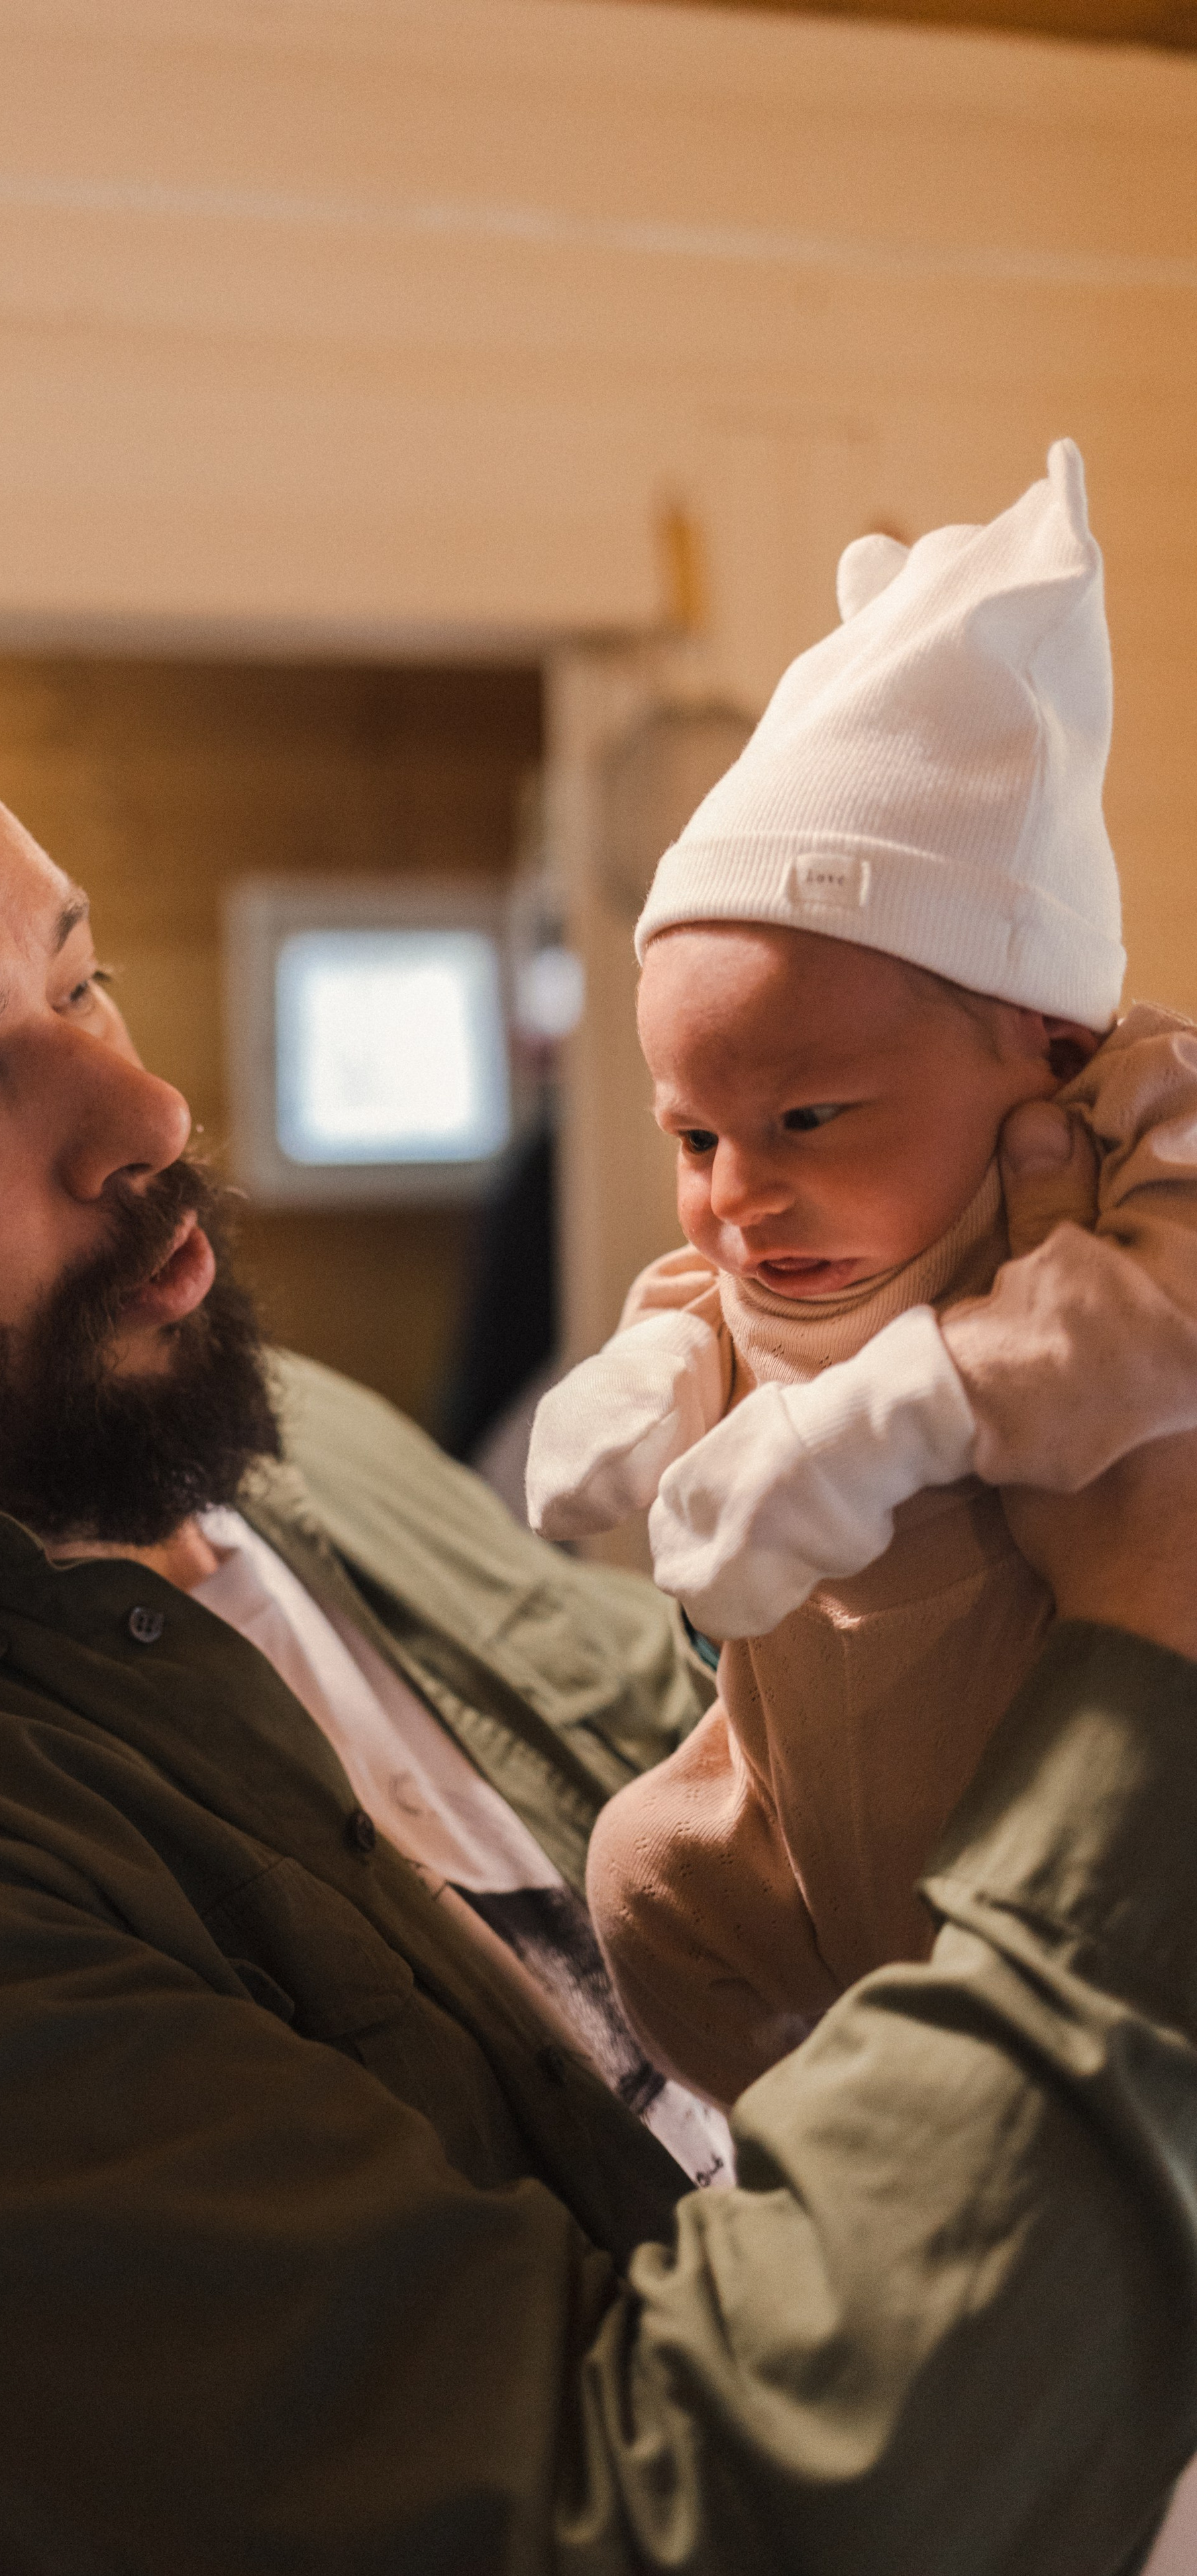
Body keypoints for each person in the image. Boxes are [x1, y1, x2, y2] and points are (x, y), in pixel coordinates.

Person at [0, 600, 1197, 2576]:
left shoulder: (276, 1435)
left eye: (85, 979)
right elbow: (664, 2531)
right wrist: (1147, 1662)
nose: (148, 1121)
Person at [527, 440, 1197, 2107]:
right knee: (641, 1874)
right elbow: (706, 1307)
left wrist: (891, 1416)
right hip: (787, 1799)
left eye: (805, 1116)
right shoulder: (779, 1232)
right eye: (691, 1138)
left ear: (1039, 1043)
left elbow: (1164, 1322)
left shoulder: (1127, 1133)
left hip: (1050, 1791)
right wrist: (645, 1379)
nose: (736, 1197)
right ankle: (805, 2135)